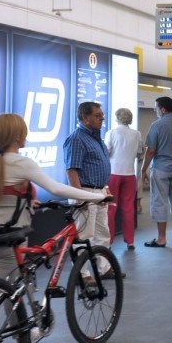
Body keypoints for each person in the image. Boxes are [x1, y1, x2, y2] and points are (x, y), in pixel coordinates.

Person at [0, 114, 109, 343]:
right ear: (18, 135)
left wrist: (28, 202)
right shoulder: (22, 162)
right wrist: (95, 197)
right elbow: (58, 188)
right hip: (7, 241)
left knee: (12, 287)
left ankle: (24, 333)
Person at [64, 101, 117, 275]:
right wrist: (80, 196)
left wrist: (105, 188)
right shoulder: (77, 138)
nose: (102, 118)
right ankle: (82, 274)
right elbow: (72, 170)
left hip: (98, 191)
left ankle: (104, 268)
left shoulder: (96, 138)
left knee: (102, 233)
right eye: (97, 115)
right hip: (85, 191)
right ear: (85, 117)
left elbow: (98, 165)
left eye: (101, 115)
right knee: (83, 235)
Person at [141, 96, 172, 247]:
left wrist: (144, 169)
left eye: (156, 107)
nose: (154, 110)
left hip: (161, 168)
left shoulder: (156, 125)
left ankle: (161, 238)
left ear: (162, 109)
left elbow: (151, 150)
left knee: (159, 201)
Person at [105, 108, 143, 250]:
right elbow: (139, 153)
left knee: (111, 207)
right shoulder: (137, 134)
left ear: (117, 118)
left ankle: (108, 240)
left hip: (114, 173)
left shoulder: (111, 133)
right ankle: (130, 240)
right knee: (128, 208)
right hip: (129, 174)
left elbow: (107, 151)